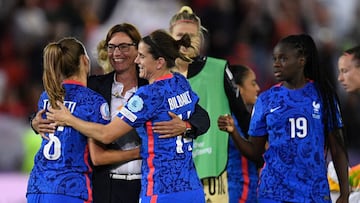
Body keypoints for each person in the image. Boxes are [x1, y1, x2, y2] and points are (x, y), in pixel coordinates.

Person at [31, 23, 210, 203]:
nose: (135, 60)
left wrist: (186, 126)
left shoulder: (147, 95)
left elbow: (106, 134)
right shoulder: (179, 82)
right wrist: (35, 122)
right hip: (189, 186)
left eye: (139, 55)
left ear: (159, 62)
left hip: (158, 189)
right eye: (111, 47)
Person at [218, 34, 349, 202]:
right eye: (274, 59)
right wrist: (234, 132)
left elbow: (337, 148)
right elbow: (255, 151)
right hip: (274, 192)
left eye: (283, 59)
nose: (276, 64)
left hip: (313, 193)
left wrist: (345, 193)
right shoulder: (266, 99)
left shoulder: (323, 95)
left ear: (301, 61)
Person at [152, 6, 252, 202]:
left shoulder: (218, 69)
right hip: (169, 176)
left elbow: (243, 116)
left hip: (211, 174)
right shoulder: (157, 75)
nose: (186, 40)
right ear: (170, 38)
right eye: (180, 34)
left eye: (192, 35)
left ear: (201, 39)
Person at [26, 37, 139, 203]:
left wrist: (34, 123)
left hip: (37, 186)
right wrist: (139, 152)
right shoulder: (93, 101)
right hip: (71, 189)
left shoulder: (47, 96)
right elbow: (98, 156)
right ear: (84, 60)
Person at [225, 64, 260, 203]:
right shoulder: (233, 121)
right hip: (241, 189)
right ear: (238, 89)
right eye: (252, 83)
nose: (257, 88)